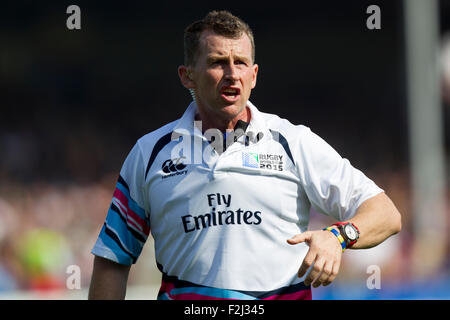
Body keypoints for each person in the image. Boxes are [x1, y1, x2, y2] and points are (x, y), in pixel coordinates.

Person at [88, 10, 401, 300]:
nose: (231, 73)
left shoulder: (293, 142)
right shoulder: (149, 153)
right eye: (217, 62)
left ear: (254, 75)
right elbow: (113, 260)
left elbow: (386, 213)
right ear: (187, 76)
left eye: (240, 62)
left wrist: (338, 236)